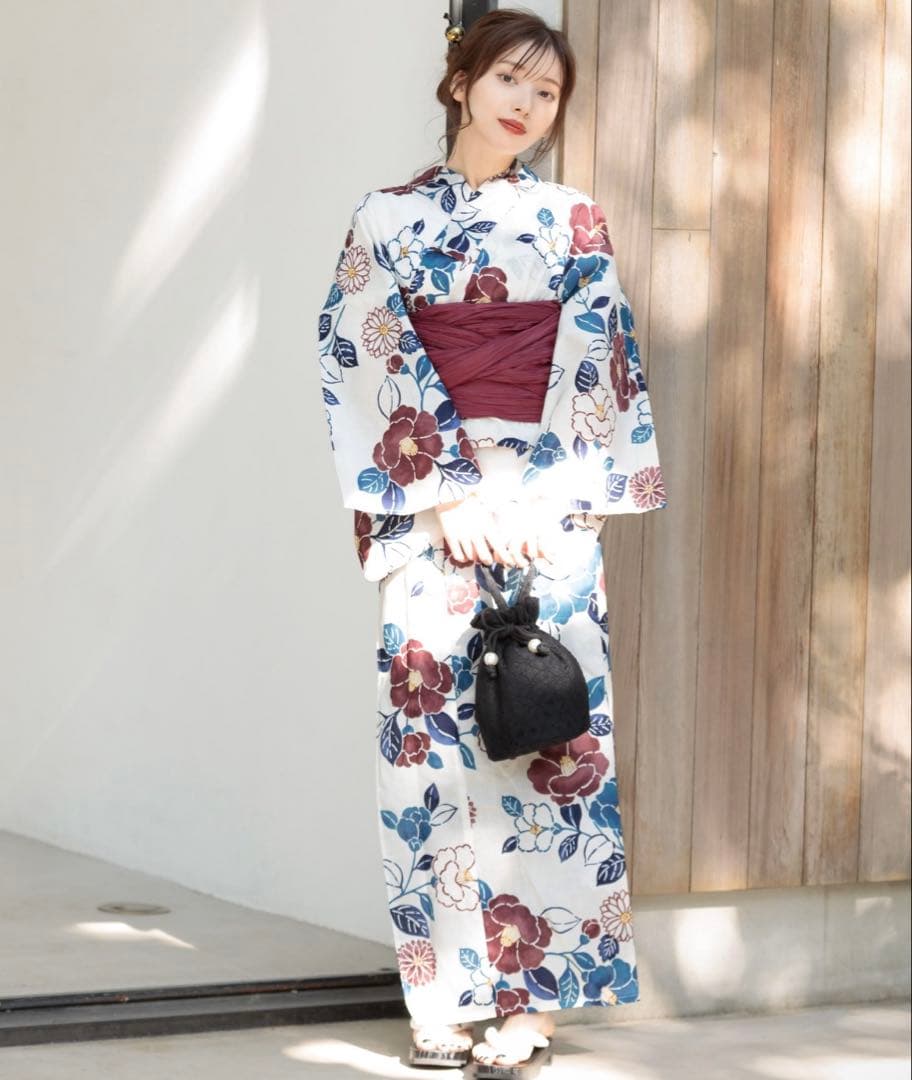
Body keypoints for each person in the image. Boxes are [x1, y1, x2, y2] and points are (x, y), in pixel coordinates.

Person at [316, 9, 667, 1075]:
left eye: (546, 92)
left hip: (549, 516)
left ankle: (533, 1004)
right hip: (434, 516)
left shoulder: (573, 221)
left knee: (551, 751)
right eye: (509, 78)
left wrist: (546, 503)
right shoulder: (386, 219)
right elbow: (361, 352)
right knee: (430, 754)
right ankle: (442, 994)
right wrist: (442, 494)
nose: (526, 103)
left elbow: (602, 362)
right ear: (461, 81)